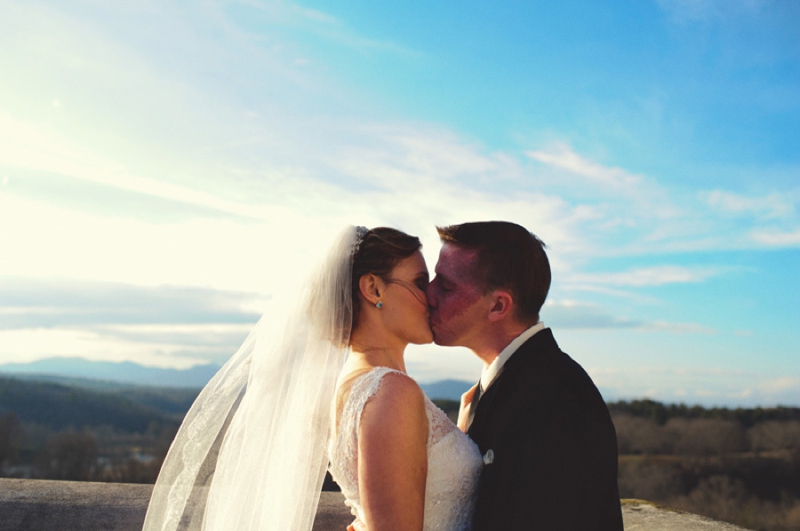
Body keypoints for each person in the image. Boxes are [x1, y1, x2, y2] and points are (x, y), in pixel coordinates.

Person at [142, 226, 481, 531]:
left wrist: (460, 428)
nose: (433, 297)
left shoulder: (356, 385)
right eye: (420, 283)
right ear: (373, 288)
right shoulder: (391, 392)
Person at [426, 221, 624, 531]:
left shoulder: (556, 402)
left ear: (498, 305)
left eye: (446, 285)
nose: (428, 293)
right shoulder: (514, 380)